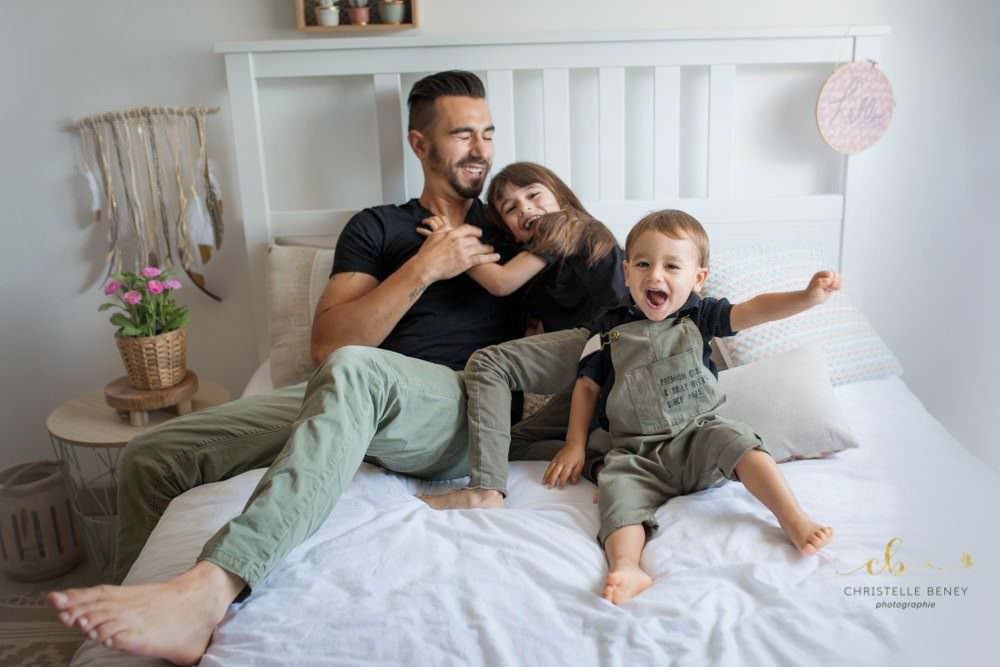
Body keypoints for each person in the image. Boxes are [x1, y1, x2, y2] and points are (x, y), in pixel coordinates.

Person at [45, 71, 595, 665]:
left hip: (460, 407)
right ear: (419, 144)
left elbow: (599, 291)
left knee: (360, 371)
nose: (481, 150)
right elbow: (328, 346)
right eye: (463, 135)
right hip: (353, 391)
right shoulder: (376, 227)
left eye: (487, 134)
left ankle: (211, 587)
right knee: (153, 455)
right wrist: (424, 267)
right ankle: (139, 625)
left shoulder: (515, 227)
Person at [559, 209, 836, 604]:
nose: (656, 276)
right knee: (615, 491)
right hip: (638, 453)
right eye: (643, 264)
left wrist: (806, 297)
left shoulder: (701, 314)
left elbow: (754, 309)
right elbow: (587, 386)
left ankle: (793, 518)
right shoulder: (608, 327)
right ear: (626, 271)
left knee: (741, 441)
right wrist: (574, 445)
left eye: (672, 266)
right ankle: (627, 565)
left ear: (698, 278)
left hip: (699, 437)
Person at [419, 163, 630, 509]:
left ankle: (485, 490)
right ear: (511, 232)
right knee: (510, 442)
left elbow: (501, 282)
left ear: (559, 196)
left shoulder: (568, 224)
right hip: (593, 376)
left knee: (488, 363)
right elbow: (534, 335)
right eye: (511, 208)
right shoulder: (543, 272)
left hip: (612, 342)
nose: (526, 208)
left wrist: (451, 243)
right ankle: (602, 464)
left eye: (533, 195)